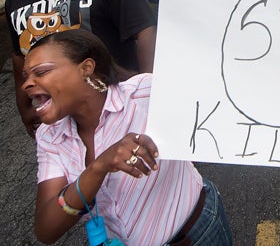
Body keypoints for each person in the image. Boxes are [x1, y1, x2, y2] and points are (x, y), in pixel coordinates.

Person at [23, 29, 232, 245]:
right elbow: (47, 229)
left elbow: (215, 99)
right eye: (26, 76)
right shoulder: (49, 137)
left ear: (86, 68)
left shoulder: (143, 92)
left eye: (41, 72)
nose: (26, 84)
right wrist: (98, 167)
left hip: (197, 233)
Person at [6, 0, 157, 139]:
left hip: (115, 110)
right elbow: (20, 57)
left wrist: (149, 98)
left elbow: (146, 34)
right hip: (58, 121)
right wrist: (25, 108)